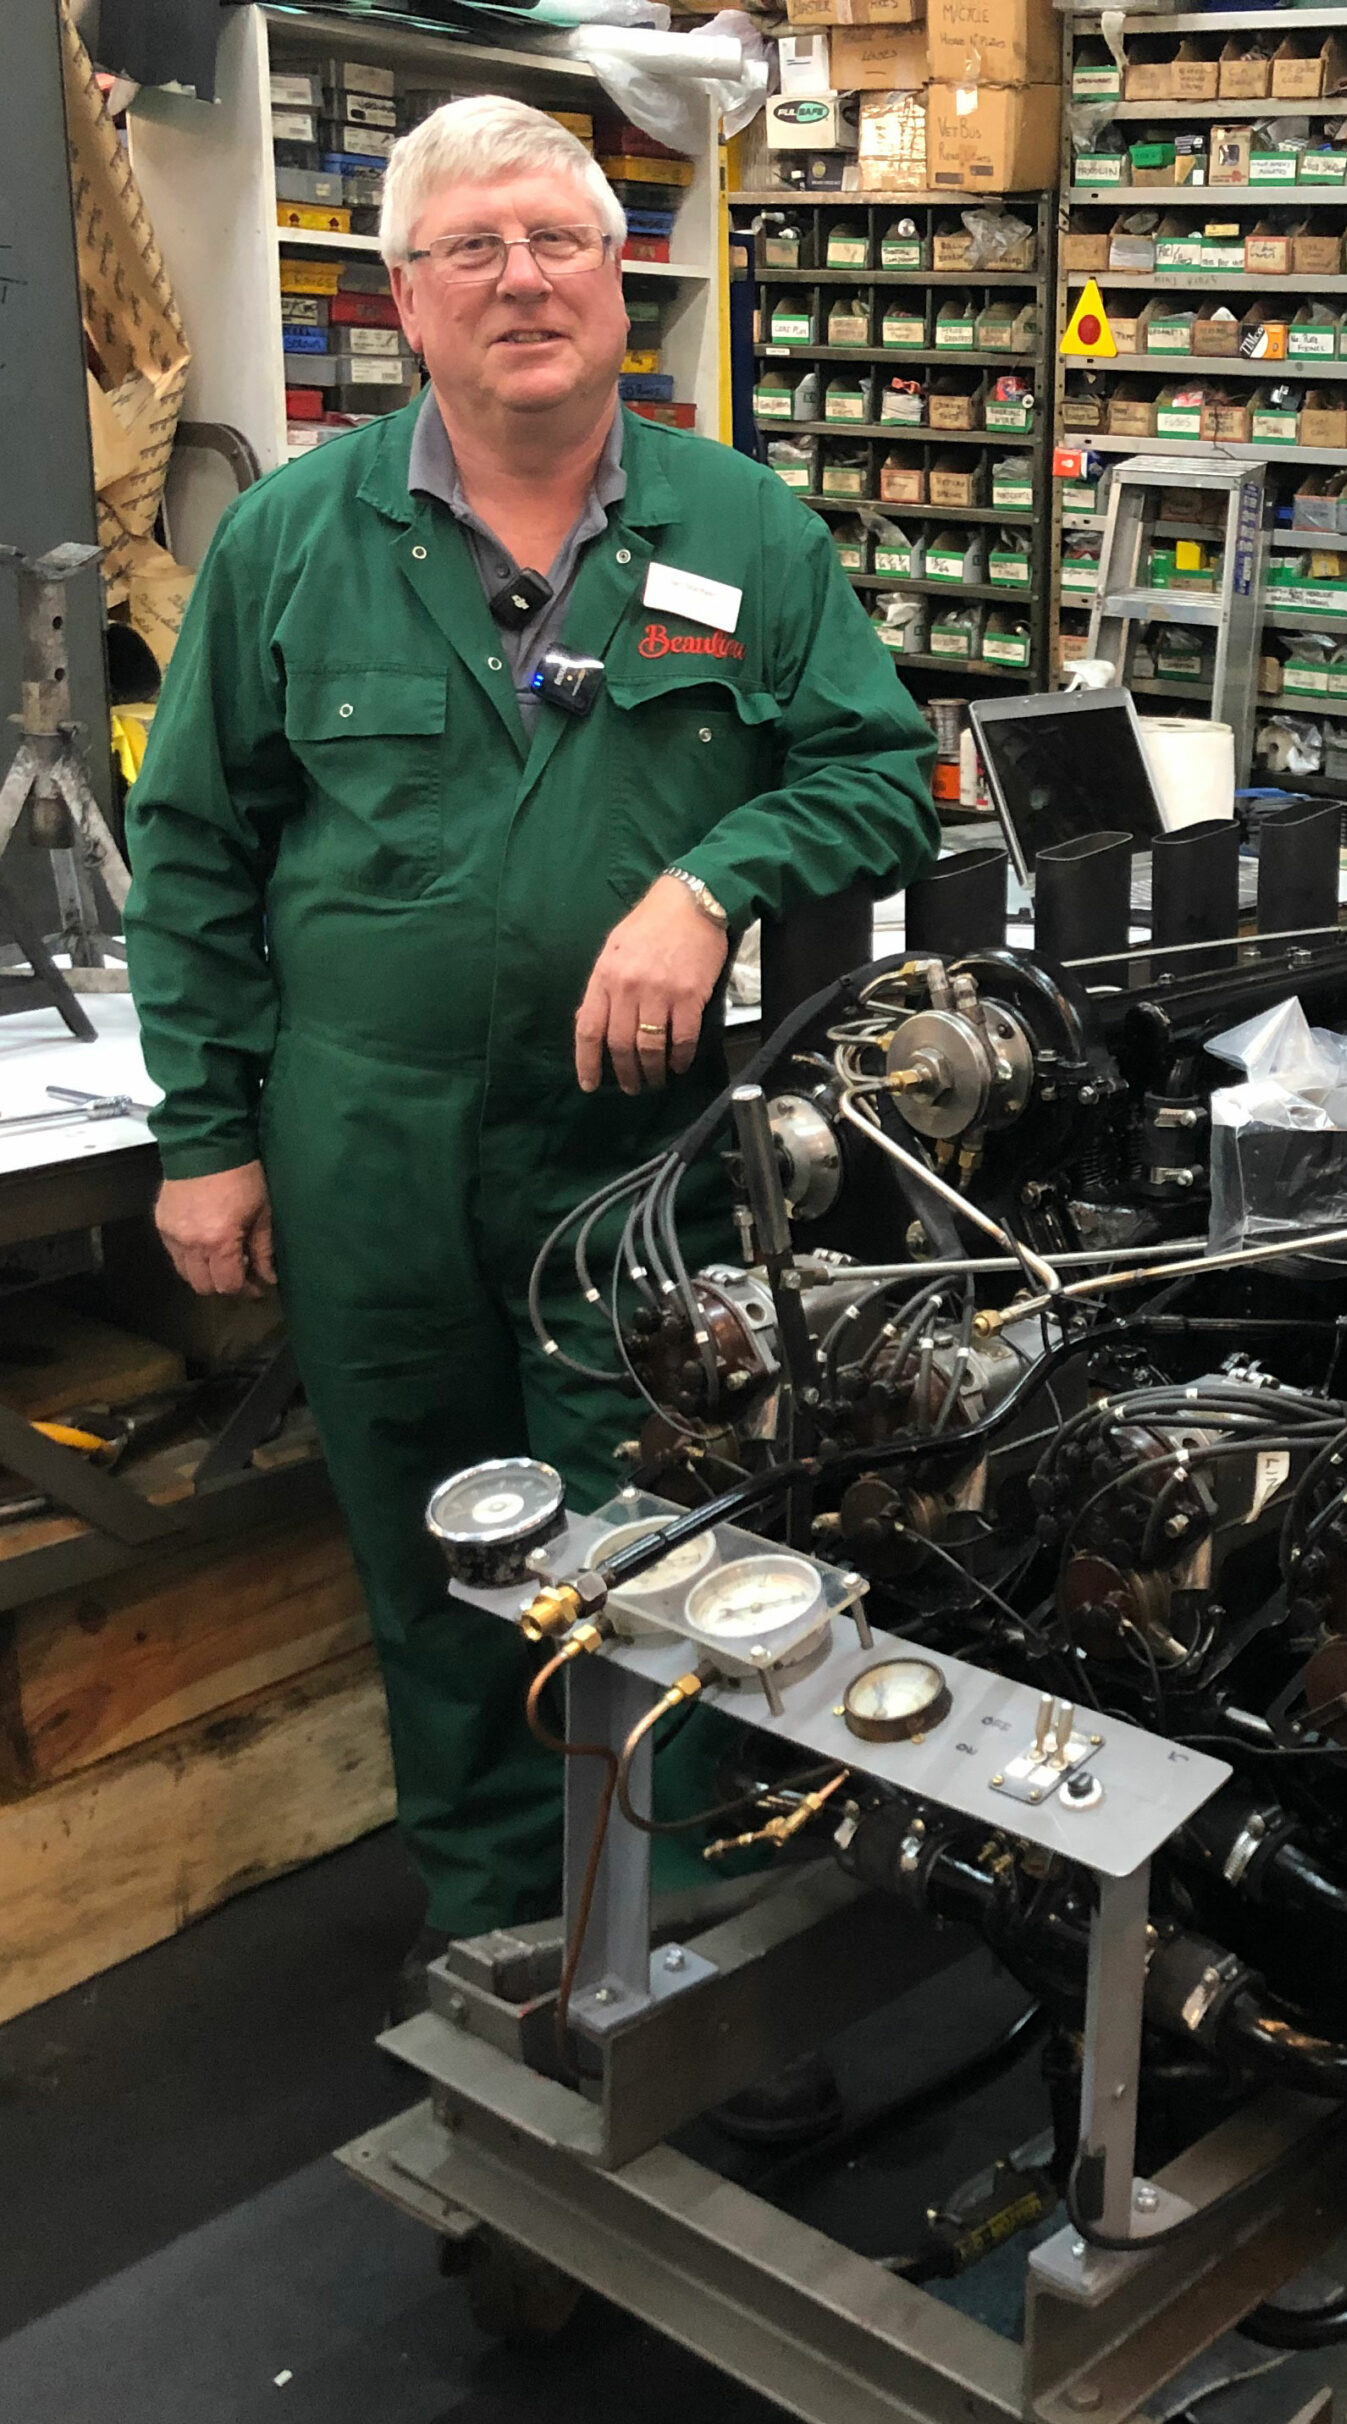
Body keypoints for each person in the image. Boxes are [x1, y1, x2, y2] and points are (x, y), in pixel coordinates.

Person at [123, 97, 938, 2043]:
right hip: (366, 1149)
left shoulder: (739, 528)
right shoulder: (293, 537)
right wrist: (204, 1133)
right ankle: (505, 1947)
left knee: (669, 1551)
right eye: (471, 248)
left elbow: (880, 771)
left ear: (617, 281)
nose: (521, 280)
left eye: (559, 240)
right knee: (440, 1564)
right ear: (404, 299)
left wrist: (709, 880)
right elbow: (194, 848)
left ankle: (691, 1970)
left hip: (634, 1157)